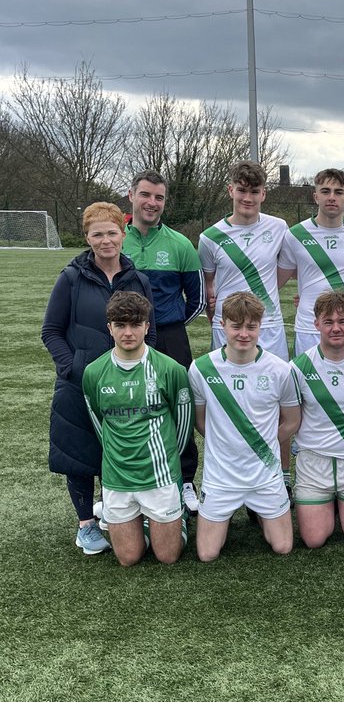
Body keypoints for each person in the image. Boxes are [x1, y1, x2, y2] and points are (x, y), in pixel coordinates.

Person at [41, 202, 156, 556]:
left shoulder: (139, 280)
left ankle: (116, 513)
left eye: (112, 232)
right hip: (80, 384)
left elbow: (151, 332)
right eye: (97, 234)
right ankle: (85, 526)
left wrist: (140, 370)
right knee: (78, 453)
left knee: (121, 449)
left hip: (127, 383)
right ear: (87, 237)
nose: (106, 241)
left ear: (123, 234)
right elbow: (51, 331)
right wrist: (73, 367)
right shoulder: (71, 278)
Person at [83, 293, 193, 567]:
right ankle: (144, 523)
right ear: (110, 328)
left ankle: (176, 518)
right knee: (128, 558)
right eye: (120, 325)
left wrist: (168, 462)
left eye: (135, 324)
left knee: (167, 556)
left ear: (147, 326)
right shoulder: (94, 373)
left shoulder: (170, 370)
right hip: (117, 476)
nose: (128, 332)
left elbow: (183, 426)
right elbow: (99, 424)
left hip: (160, 475)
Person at [189, 292, 301, 561]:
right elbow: (200, 421)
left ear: (260, 326)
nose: (244, 334)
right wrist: (226, 443)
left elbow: (292, 421)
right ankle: (233, 513)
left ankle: (260, 510)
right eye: (236, 326)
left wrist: (264, 445)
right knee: (207, 554)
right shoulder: (201, 369)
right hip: (221, 477)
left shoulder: (279, 370)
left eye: (251, 327)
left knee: (283, 546)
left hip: (264, 476)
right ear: (223, 324)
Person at [124, 170, 205, 513]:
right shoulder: (116, 239)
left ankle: (185, 480)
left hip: (171, 337)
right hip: (124, 340)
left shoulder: (180, 244)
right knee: (126, 408)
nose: (152, 203)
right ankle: (125, 481)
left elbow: (198, 300)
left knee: (179, 406)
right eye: (146, 195)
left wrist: (164, 327)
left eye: (159, 197)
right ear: (131, 195)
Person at [291, 291, 344, 548]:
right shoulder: (298, 367)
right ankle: (330, 503)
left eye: (343, 321)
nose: (336, 328)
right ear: (316, 324)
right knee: (314, 540)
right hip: (313, 463)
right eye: (328, 322)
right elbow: (289, 422)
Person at [198, 160, 290, 360]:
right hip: (228, 326)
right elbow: (208, 286)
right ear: (231, 190)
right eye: (242, 190)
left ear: (263, 194)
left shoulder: (279, 228)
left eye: (255, 191)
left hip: (268, 324)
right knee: (227, 388)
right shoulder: (209, 237)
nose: (248, 198)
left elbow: (292, 267)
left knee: (274, 387)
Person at [277, 169, 344, 356]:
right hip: (309, 326)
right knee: (306, 384)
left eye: (338, 192)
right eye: (325, 191)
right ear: (315, 197)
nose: (331, 197)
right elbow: (278, 279)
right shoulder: (295, 235)